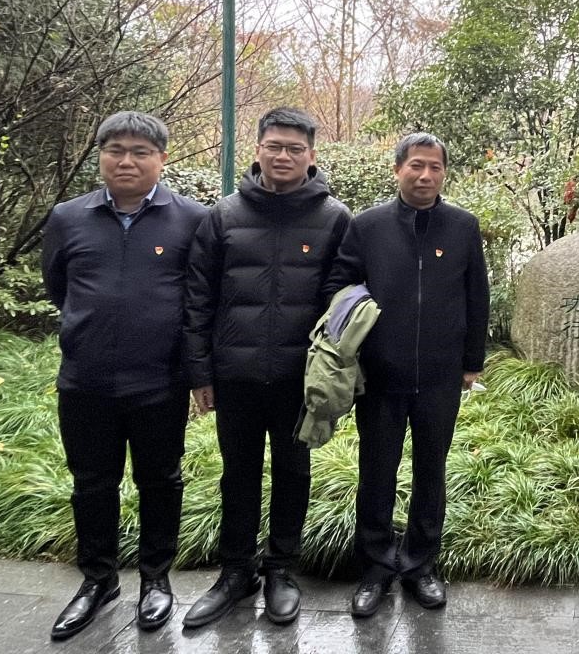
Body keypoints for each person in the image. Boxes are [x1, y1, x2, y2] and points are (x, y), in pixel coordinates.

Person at [181, 107, 351, 628]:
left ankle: (281, 569)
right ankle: (235, 572)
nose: (283, 156)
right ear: (257, 150)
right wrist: (200, 373)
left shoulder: (335, 219)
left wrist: (335, 375)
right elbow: (198, 298)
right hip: (236, 374)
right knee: (238, 474)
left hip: (301, 379)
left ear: (311, 156)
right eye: (274, 146)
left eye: (295, 148)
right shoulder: (224, 216)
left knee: (294, 473)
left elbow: (344, 301)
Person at [41, 111, 208, 640]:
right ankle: (98, 580)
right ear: (101, 156)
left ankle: (156, 578)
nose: (127, 161)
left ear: (162, 158)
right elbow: (59, 286)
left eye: (140, 152)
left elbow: (200, 297)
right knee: (92, 483)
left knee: (161, 480)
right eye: (115, 150)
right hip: (85, 379)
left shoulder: (192, 219)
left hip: (159, 380)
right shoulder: (68, 217)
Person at [327, 132, 489, 616]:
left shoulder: (462, 226)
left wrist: (471, 362)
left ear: (444, 173)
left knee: (430, 472)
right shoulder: (368, 225)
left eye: (435, 167)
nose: (425, 175)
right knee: (376, 472)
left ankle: (420, 565)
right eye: (416, 165)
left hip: (441, 375)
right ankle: (376, 567)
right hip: (380, 373)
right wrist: (357, 337)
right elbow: (340, 286)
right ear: (398, 169)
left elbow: (476, 295)